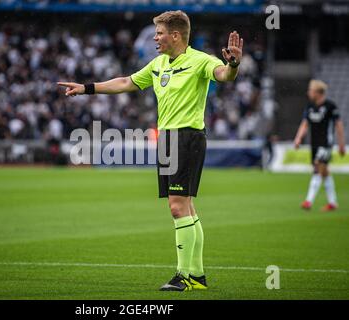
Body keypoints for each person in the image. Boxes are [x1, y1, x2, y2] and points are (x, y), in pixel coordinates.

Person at [58, 10, 243, 291]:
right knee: (186, 207)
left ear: (176, 35)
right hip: (167, 140)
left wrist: (233, 66)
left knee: (177, 206)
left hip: (187, 138)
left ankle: (184, 275)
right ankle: (197, 275)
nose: (155, 38)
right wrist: (87, 88)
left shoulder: (200, 60)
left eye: (159, 33)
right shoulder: (158, 64)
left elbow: (223, 75)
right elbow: (126, 82)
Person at [294, 79, 346, 211]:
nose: (308, 93)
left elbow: (339, 125)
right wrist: (298, 138)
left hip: (326, 143)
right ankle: (333, 203)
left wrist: (341, 144)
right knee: (325, 173)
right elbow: (305, 124)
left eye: (310, 90)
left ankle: (308, 201)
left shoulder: (330, 106)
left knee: (317, 168)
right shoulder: (310, 107)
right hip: (315, 144)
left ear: (318, 92)